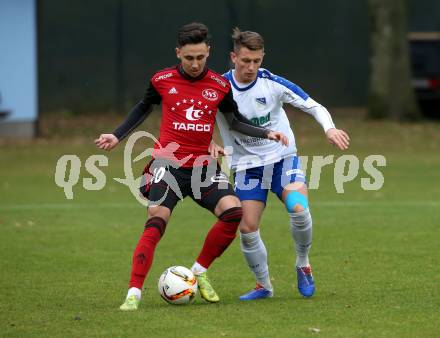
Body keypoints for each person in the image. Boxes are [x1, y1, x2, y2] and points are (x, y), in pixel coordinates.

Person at [95, 23, 288, 310]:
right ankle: (134, 293)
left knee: (234, 211)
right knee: (157, 220)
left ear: (208, 52)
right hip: (168, 164)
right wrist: (117, 134)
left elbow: (234, 121)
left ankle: (198, 272)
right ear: (178, 53)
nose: (195, 64)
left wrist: (266, 133)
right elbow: (143, 107)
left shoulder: (220, 86)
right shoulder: (161, 80)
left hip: (203, 166)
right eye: (189, 58)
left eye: (200, 57)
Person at [215, 28, 350, 300]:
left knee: (298, 208)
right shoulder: (218, 87)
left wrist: (329, 129)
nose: (251, 67)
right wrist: (208, 142)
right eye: (245, 61)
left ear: (263, 57)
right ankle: (264, 286)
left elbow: (313, 106)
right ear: (233, 57)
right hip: (245, 166)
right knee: (247, 226)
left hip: (282, 159)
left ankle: (303, 263)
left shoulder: (273, 83)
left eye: (256, 61)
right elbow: (201, 118)